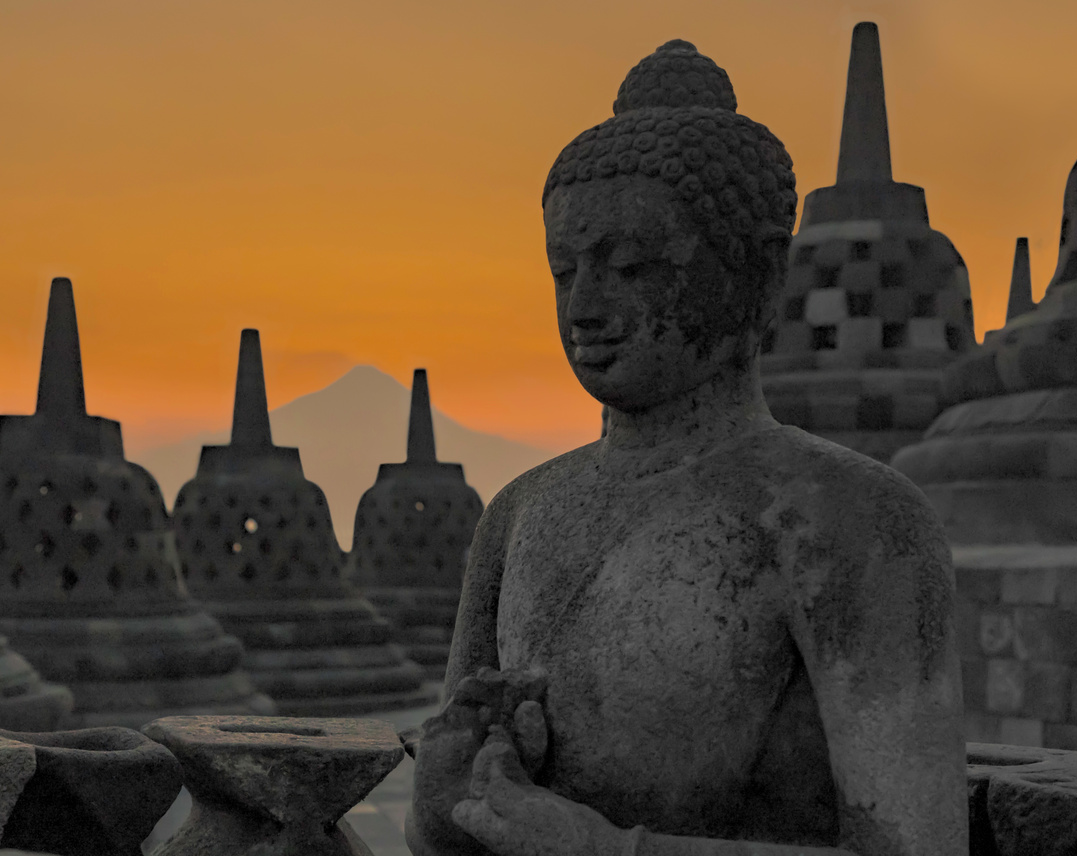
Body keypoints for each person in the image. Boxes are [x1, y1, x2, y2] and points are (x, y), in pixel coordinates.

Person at [405, 39, 966, 856]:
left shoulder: (852, 523)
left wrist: (606, 850)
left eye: (633, 266)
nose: (585, 306)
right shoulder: (519, 514)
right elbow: (446, 837)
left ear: (760, 277)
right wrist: (443, 796)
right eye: (564, 271)